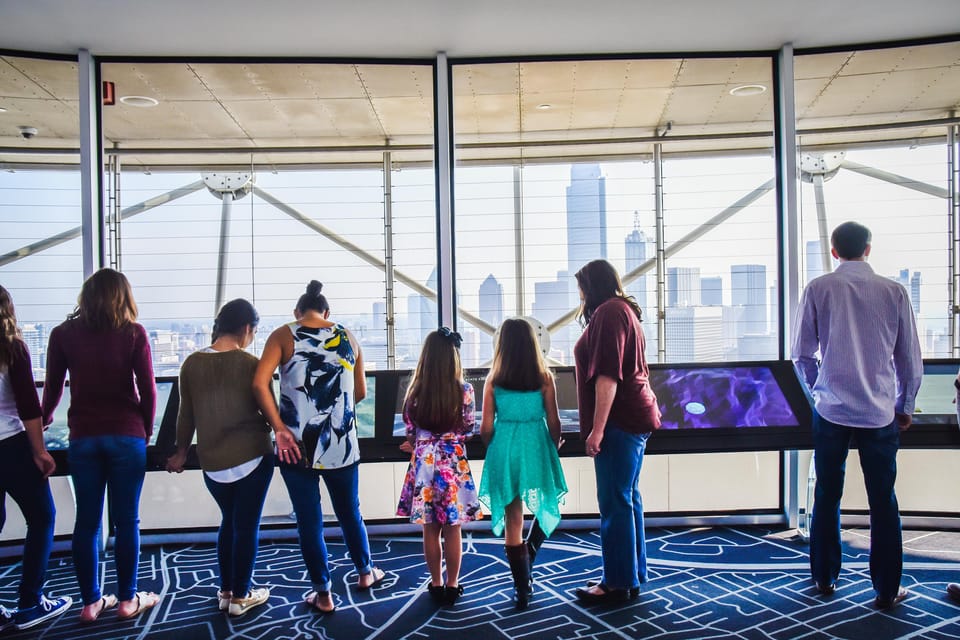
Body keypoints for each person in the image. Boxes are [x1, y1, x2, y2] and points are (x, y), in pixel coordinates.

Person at [792, 221, 923, 609]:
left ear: (834, 251)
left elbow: (801, 355)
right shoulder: (894, 292)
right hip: (879, 411)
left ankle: (825, 578)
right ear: (869, 249)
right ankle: (885, 588)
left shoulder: (818, 289)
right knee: (883, 500)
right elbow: (910, 361)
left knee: (827, 494)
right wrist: (905, 405)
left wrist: (820, 389)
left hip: (830, 410)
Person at [253, 280, 384, 615]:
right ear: (327, 312)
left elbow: (259, 382)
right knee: (349, 512)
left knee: (309, 521)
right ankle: (366, 572)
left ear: (298, 312)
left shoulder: (283, 335)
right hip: (340, 444)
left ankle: (323, 594)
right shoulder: (348, 337)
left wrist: (279, 428)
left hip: (296, 446)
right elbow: (360, 394)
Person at [41, 268, 160, 622]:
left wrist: (45, 420)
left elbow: (53, 388)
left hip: (83, 438)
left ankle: (91, 602)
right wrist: (147, 428)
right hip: (127, 435)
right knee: (127, 522)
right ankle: (126, 600)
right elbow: (149, 388)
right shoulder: (133, 334)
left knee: (87, 523)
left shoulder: (62, 334)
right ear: (124, 297)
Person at [166, 299, 274, 616]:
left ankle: (227, 590)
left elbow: (185, 417)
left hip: (213, 464)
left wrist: (181, 453)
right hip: (253, 457)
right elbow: (269, 410)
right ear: (246, 329)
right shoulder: (251, 363)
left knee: (229, 521)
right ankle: (241, 596)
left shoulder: (191, 364)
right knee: (246, 526)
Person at [572, 259, 660, 605]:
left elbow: (608, 377)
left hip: (620, 419)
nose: (578, 293)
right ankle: (630, 574)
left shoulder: (609, 313)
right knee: (628, 497)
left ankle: (617, 582)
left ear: (591, 286)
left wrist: (597, 430)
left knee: (614, 501)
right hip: (635, 414)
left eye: (581, 286)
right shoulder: (623, 310)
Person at [477, 318, 567, 610]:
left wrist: (494, 447)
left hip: (505, 447)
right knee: (548, 503)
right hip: (536, 446)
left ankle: (522, 587)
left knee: (513, 518)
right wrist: (554, 444)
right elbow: (554, 421)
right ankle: (530, 552)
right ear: (532, 345)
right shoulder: (544, 377)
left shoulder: (493, 380)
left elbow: (485, 428)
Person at [0, 286, 72, 630]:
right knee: (42, 518)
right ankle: (30, 603)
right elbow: (29, 407)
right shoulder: (11, 348)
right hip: (9, 445)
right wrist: (40, 451)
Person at [396, 327, 481, 606]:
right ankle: (453, 584)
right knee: (453, 528)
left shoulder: (415, 392)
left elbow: (410, 430)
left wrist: (421, 442)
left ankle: (435, 583)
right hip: (452, 464)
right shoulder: (465, 391)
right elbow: (468, 428)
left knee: (429, 529)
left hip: (424, 464)